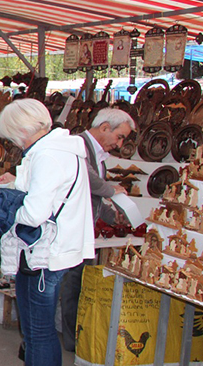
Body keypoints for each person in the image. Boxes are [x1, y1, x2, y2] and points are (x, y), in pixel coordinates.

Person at [0, 99, 93, 366]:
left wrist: (6, 212)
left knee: (37, 332)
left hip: (43, 255)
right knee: (40, 330)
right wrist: (18, 183)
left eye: (13, 137)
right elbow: (52, 193)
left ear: (21, 130)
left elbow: (35, 213)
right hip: (52, 250)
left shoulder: (47, 155)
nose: (15, 143)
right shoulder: (61, 149)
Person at [60, 108, 134, 351]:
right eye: (120, 136)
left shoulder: (97, 153)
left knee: (77, 286)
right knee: (71, 287)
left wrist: (116, 218)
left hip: (82, 231)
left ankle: (72, 337)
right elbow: (87, 179)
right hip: (71, 231)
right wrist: (112, 190)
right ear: (104, 128)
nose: (120, 143)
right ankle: (69, 341)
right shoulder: (78, 144)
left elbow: (94, 198)